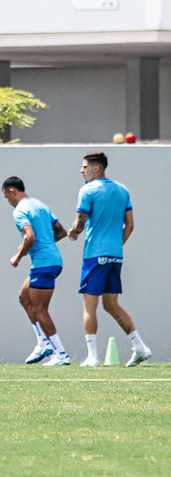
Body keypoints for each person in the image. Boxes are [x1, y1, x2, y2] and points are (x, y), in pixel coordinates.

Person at [68, 151, 151, 367]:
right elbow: (130, 225)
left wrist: (72, 231)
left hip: (94, 256)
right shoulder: (122, 190)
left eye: (84, 166)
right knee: (111, 305)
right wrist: (115, 245)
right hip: (115, 255)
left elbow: (79, 222)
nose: (81, 170)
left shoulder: (87, 190)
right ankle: (140, 347)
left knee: (89, 305)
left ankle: (93, 357)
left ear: (96, 168)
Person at [2, 177, 71, 366]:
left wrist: (18, 256)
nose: (8, 201)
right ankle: (42, 342)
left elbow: (29, 237)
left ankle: (61, 354)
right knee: (24, 297)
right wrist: (44, 244)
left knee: (40, 310)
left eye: (6, 197)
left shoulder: (20, 210)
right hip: (50, 261)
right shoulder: (40, 205)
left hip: (44, 264)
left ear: (11, 191)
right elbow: (61, 231)